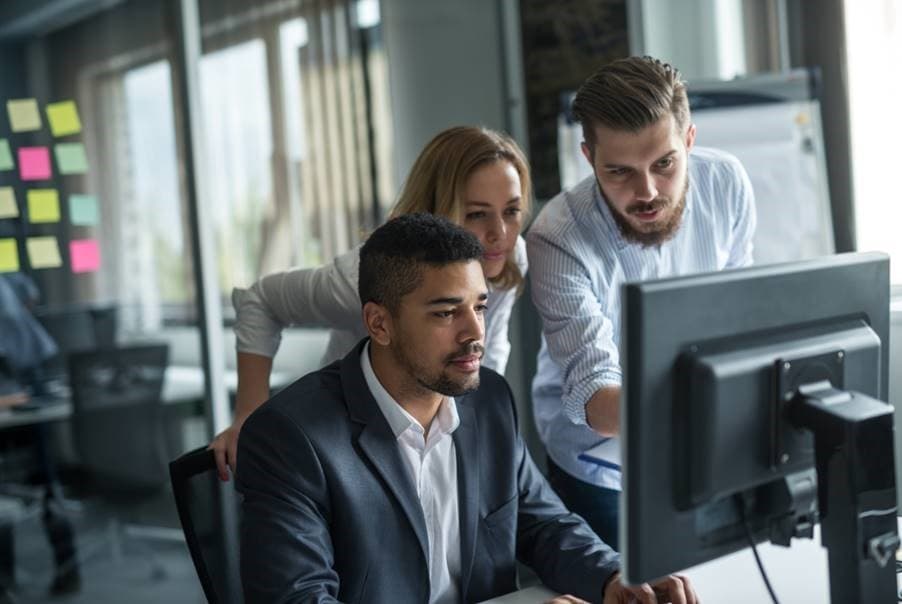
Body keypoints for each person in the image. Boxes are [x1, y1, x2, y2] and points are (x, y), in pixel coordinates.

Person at [236, 214, 698, 604]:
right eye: (445, 313)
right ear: (379, 323)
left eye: (479, 307)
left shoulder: (488, 399)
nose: (474, 332)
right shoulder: (291, 437)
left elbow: (544, 524)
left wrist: (615, 576)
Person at [527, 56, 757, 549]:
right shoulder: (557, 238)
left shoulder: (726, 183)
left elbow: (739, 314)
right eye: (619, 172)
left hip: (705, 442)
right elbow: (596, 399)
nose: (647, 191)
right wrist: (726, 397)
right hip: (599, 463)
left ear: (689, 139)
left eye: (664, 164)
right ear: (589, 158)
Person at [212, 126, 531, 480]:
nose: (500, 233)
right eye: (477, 214)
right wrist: (249, 417)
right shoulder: (364, 277)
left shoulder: (508, 256)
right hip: (345, 438)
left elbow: (489, 351)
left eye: (512, 211)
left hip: (430, 429)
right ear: (438, 208)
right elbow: (261, 300)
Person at [0, 273, 81, 596]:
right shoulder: (10, 281)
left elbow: (29, 297)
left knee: (40, 486)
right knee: (41, 486)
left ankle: (9, 583)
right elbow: (29, 296)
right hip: (25, 382)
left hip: (21, 387)